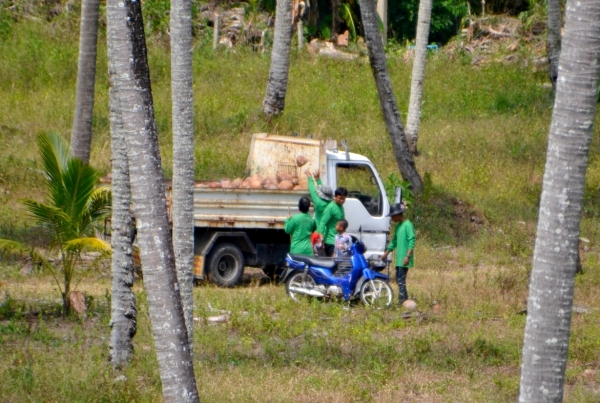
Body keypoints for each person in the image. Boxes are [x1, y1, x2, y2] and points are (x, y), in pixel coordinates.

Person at [380, 202, 415, 305]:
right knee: (399, 279)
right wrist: (385, 254)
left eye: (392, 216)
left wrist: (407, 256)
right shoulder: (398, 227)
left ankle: (402, 301)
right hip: (399, 259)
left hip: (404, 258)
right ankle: (403, 299)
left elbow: (412, 240)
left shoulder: (408, 225)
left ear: (397, 215)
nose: (392, 219)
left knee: (401, 280)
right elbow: (394, 242)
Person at [317, 187, 347, 256]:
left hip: (339, 241)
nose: (342, 200)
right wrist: (321, 239)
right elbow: (322, 223)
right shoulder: (330, 207)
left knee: (338, 263)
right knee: (333, 261)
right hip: (331, 242)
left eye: (344, 199)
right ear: (335, 197)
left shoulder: (340, 207)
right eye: (340, 198)